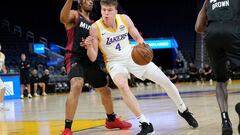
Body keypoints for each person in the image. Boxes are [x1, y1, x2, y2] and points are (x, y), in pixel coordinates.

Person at [84, 0, 198, 134]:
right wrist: (89, 46)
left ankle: (183, 109)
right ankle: (145, 123)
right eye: (104, 10)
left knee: (165, 81)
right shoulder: (95, 28)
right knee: (122, 85)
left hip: (132, 56)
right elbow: (92, 57)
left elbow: (138, 38)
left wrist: (143, 48)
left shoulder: (124, 19)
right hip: (114, 63)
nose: (106, 13)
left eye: (109, 10)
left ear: (115, 11)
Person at [60, 0, 131, 134]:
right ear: (79, 2)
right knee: (76, 84)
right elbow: (63, 18)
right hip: (75, 57)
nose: (91, 1)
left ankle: (111, 120)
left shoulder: (94, 24)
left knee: (106, 91)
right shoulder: (75, 15)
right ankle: (67, 128)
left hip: (90, 60)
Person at [195, 0, 240, 134]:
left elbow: (198, 27)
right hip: (234, 31)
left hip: (212, 35)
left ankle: (225, 121)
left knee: (221, 81)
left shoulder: (208, 1)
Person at [0, 44, 9, 111]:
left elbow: (3, 64)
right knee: (3, 88)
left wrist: (4, 69)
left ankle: (1, 106)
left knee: (3, 89)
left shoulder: (3, 55)